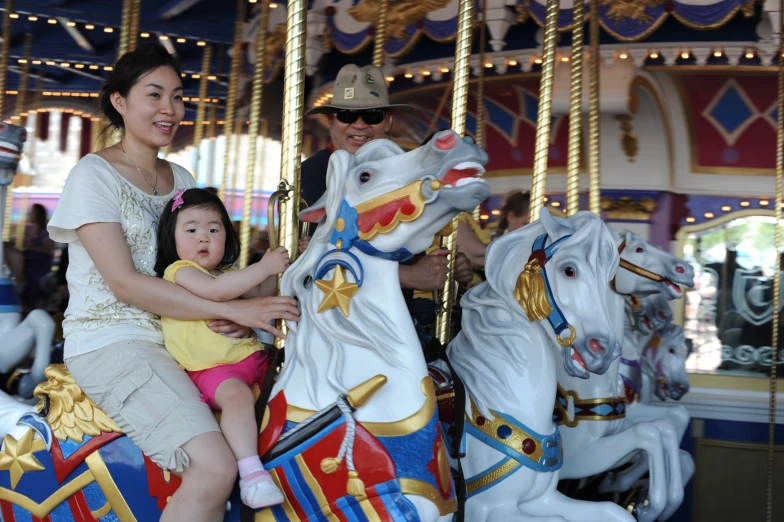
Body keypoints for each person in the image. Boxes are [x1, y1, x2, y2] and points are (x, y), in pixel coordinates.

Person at [48, 43, 299, 522]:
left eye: (179, 97)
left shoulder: (180, 178)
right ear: (120, 102)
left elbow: (200, 274)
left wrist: (245, 308)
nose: (170, 109)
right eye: (154, 94)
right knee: (214, 466)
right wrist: (231, 311)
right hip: (114, 341)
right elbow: (126, 284)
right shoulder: (94, 174)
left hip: (181, 339)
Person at [154, 188, 287, 508]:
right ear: (172, 239)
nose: (204, 238)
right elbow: (216, 291)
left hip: (249, 359)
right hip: (211, 369)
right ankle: (251, 473)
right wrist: (264, 266)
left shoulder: (224, 274)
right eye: (192, 230)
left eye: (214, 230)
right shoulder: (180, 273)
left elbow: (259, 291)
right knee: (237, 397)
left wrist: (281, 260)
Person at [299, 64, 474, 294]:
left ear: (388, 121)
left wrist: (450, 266)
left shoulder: (406, 171)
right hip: (333, 314)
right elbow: (311, 254)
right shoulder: (311, 175)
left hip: (397, 311)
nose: (359, 124)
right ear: (331, 120)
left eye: (373, 115)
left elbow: (419, 243)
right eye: (347, 115)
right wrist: (408, 276)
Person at [22, 203, 55, 310]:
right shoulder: (26, 230)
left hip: (40, 267)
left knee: (35, 287)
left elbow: (49, 250)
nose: (30, 214)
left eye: (32, 212)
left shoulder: (45, 233)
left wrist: (32, 246)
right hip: (27, 265)